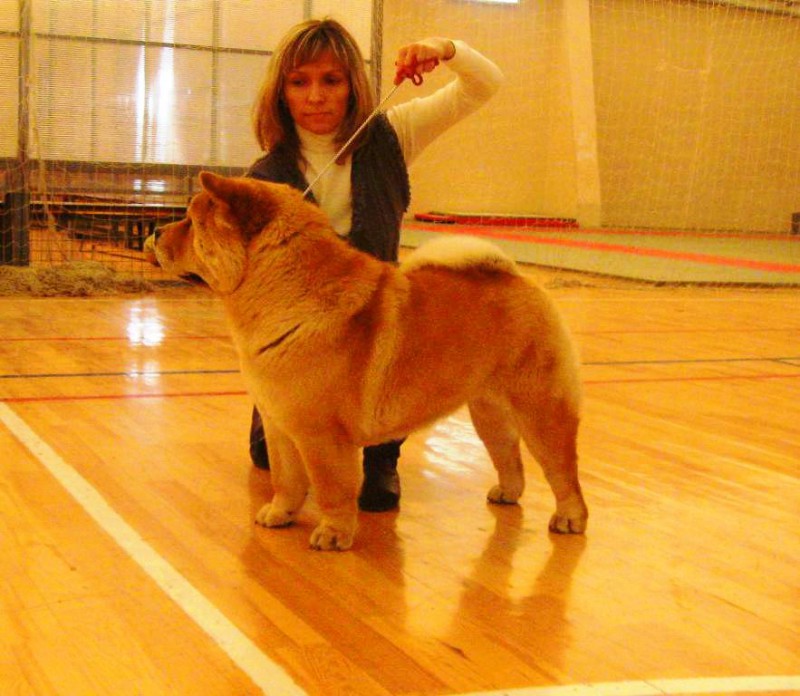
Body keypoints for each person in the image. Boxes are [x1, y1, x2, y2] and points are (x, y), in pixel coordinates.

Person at [246, 17, 504, 512]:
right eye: (299, 82)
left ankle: (383, 458)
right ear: (280, 92)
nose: (316, 96)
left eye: (332, 80)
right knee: (266, 455)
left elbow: (484, 85)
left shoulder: (394, 134)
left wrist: (444, 47)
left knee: (377, 443)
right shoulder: (264, 175)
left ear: (353, 86)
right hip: (304, 338)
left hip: (376, 321)